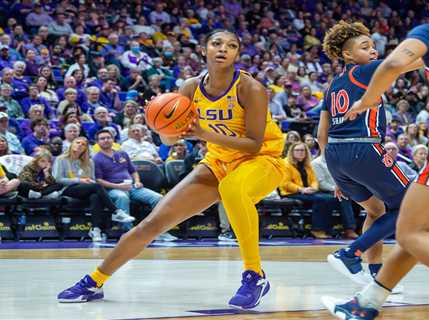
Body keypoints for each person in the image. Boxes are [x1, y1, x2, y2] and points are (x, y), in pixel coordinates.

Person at [58, 29, 286, 310]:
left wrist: (204, 134)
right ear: (204, 50)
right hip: (218, 163)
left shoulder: (250, 88)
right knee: (153, 223)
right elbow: (171, 138)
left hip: (264, 160)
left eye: (231, 45)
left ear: (237, 54)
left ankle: (254, 275)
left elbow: (253, 144)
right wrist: (159, 122)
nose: (223, 49)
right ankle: (94, 280)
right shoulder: (190, 87)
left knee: (232, 189)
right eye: (216, 43)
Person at [322, 1, 429, 319]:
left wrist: (368, 100)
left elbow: (393, 63)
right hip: (364, 147)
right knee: (420, 226)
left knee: (411, 230)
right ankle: (367, 303)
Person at [316, 20, 423, 288]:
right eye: (365, 47)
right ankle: (350, 254)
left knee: (375, 209)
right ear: (347, 55)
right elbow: (411, 62)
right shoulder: (364, 72)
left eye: (374, 47)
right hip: (362, 147)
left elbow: (321, 134)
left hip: (335, 155)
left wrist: (337, 177)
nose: (373, 51)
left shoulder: (332, 86)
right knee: (413, 206)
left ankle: (376, 275)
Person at [53, 137, 127, 242]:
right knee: (96, 187)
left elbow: (92, 179)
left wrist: (89, 181)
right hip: (67, 189)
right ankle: (115, 211)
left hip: (85, 190)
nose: (79, 145)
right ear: (71, 144)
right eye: (77, 142)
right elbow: (57, 179)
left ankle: (95, 229)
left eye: (83, 144)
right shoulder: (61, 159)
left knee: (95, 196)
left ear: (85, 148)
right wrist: (79, 180)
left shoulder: (90, 162)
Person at [280, 142, 357, 239]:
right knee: (322, 200)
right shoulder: (285, 164)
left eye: (303, 150)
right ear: (292, 152)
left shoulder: (306, 164)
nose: (300, 153)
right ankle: (317, 229)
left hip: (307, 192)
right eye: (297, 150)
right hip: (291, 193)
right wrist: (301, 189)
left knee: (331, 198)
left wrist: (313, 188)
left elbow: (314, 181)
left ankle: (329, 229)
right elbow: (285, 184)